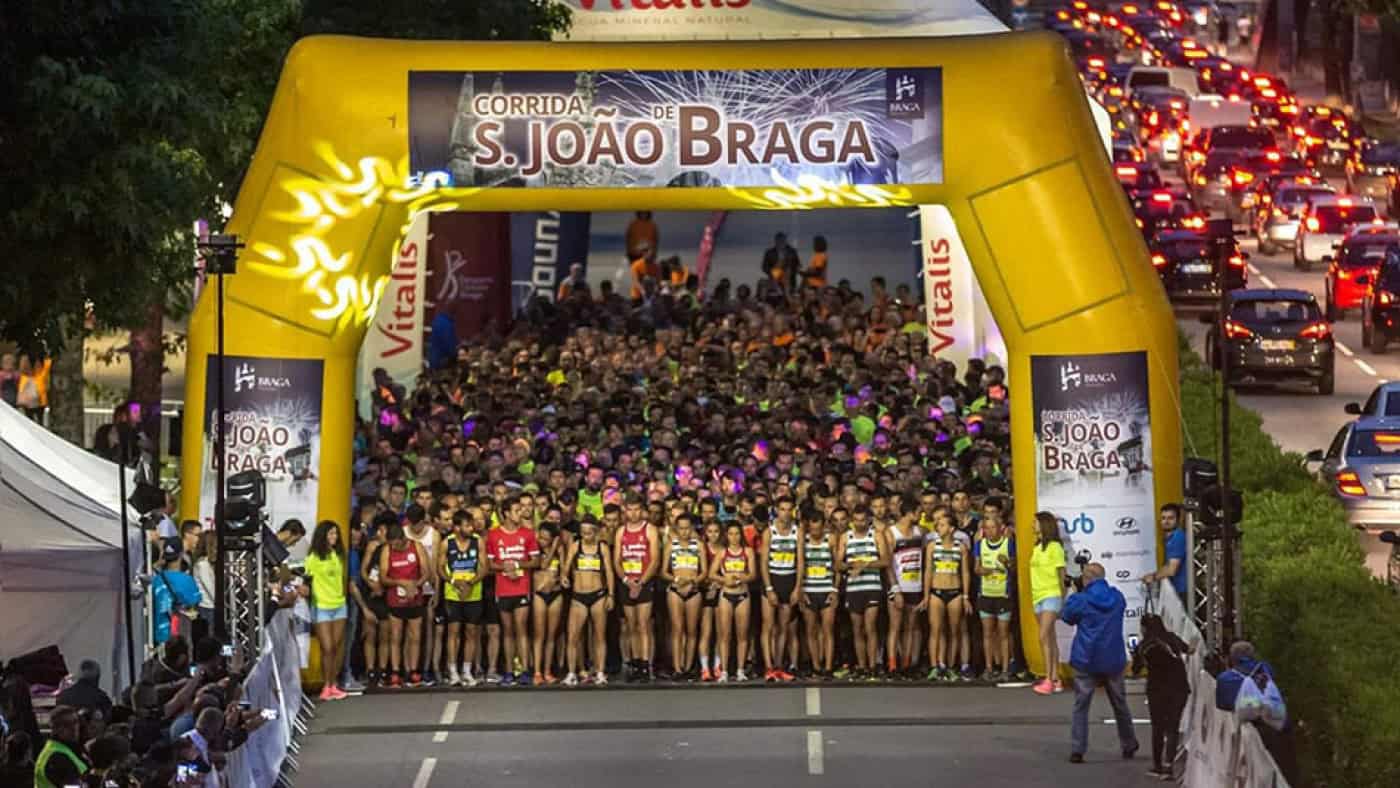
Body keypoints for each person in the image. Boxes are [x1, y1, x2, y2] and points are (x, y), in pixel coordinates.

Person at [1061, 562, 1139, 764]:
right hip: (1112, 658)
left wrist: (1074, 592)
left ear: (1086, 578)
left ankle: (1078, 749)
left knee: (1081, 706)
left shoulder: (1081, 600)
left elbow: (1067, 617)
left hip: (1087, 658)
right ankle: (1129, 744)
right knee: (1120, 704)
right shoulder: (1117, 597)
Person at [487, 495, 541, 686]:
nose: (521, 513)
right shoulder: (493, 535)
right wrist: (505, 567)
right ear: (506, 514)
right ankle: (509, 671)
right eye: (517, 510)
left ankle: (525, 670)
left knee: (521, 629)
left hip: (522, 587)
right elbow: (490, 564)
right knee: (508, 631)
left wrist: (517, 564)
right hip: (503, 589)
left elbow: (536, 561)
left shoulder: (528, 534)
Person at [1133, 613, 1191, 780]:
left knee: (1158, 727)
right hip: (1179, 687)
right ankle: (1169, 766)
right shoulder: (1172, 638)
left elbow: (1136, 670)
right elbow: (1188, 649)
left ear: (1144, 628)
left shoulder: (1144, 646)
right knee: (1173, 726)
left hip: (1157, 690)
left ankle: (1157, 765)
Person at [560, 516, 615, 686]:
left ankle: (600, 672)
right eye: (583, 533)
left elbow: (609, 572)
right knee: (573, 637)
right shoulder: (576, 546)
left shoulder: (602, 547)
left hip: (598, 594)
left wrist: (611, 595)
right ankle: (571, 673)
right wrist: (564, 577)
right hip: (579, 596)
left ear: (596, 532)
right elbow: (566, 567)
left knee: (599, 636)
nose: (586, 536)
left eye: (589, 533)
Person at [837, 505, 888, 677]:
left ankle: (873, 666)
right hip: (854, 588)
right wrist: (851, 565)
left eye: (863, 520)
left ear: (868, 520)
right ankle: (862, 666)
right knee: (857, 629)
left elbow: (885, 560)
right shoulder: (846, 537)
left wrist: (865, 565)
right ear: (852, 521)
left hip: (872, 587)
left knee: (870, 627)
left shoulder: (877, 535)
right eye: (856, 520)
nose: (860, 524)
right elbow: (838, 564)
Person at [614, 493, 660, 682]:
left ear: (642, 510)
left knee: (644, 625)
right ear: (625, 511)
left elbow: (655, 560)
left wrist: (641, 582)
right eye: (630, 510)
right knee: (631, 625)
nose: (633, 514)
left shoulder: (650, 530)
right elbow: (616, 561)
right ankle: (634, 663)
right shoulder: (621, 531)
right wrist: (627, 580)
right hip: (627, 582)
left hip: (644, 582)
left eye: (637, 509)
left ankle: (645, 665)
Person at [439, 510, 487, 687]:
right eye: (467, 525)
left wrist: (470, 583)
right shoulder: (447, 543)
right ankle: (453, 671)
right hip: (453, 593)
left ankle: (467, 671)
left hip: (473, 593)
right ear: (457, 527)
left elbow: (484, 567)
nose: (471, 528)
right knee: (453, 632)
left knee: (471, 632)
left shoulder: (478, 541)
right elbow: (440, 568)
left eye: (471, 525)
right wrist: (454, 581)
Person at [923, 506, 971, 681]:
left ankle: (950, 666)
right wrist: (926, 596)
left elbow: (965, 572)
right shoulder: (931, 546)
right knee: (935, 631)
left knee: (954, 631)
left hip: (955, 592)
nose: (938, 527)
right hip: (936, 592)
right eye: (938, 524)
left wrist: (965, 596)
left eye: (942, 525)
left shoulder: (961, 547)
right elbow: (928, 571)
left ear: (951, 529)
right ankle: (935, 666)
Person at [380, 524, 430, 688]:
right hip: (395, 598)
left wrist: (415, 586)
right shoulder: (387, 550)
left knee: (415, 635)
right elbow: (383, 577)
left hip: (415, 597)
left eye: (396, 544)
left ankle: (413, 671)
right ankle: (395, 671)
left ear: (402, 539)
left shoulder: (416, 547)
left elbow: (426, 572)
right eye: (391, 544)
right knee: (396, 635)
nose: (394, 547)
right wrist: (400, 582)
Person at [305, 520, 349, 701]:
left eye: (336, 533)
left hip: (339, 605)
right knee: (327, 647)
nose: (334, 537)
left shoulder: (339, 555)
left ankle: (333, 684)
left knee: (336, 648)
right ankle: (326, 685)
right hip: (321, 606)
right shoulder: (313, 557)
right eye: (331, 533)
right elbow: (307, 579)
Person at [759, 501, 802, 682]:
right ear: (777, 511)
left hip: (789, 580)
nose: (785, 513)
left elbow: (800, 561)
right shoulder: (769, 532)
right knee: (768, 625)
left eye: (788, 509)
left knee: (783, 627)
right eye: (782, 509)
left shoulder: (797, 531)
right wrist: (769, 588)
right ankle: (768, 667)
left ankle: (778, 666)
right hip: (773, 579)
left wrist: (797, 588)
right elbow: (763, 562)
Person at [973, 499, 1015, 680]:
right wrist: (984, 570)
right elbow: (976, 568)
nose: (990, 531)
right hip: (986, 593)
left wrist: (1007, 563)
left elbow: (1013, 567)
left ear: (1000, 528)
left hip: (1003, 594)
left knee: (1004, 633)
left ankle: (1005, 669)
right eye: (987, 528)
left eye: (993, 528)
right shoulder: (980, 544)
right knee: (988, 633)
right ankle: (989, 668)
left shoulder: (1008, 543)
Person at [661, 512, 706, 680]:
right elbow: (663, 572)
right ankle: (677, 667)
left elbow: (704, 571)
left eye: (687, 528)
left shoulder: (699, 545)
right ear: (676, 529)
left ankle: (688, 667)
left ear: (692, 528)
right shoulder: (671, 545)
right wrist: (676, 580)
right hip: (676, 589)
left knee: (692, 630)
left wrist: (693, 582)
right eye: (681, 528)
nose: (684, 532)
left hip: (693, 590)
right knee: (677, 629)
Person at [710, 522, 756, 683]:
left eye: (737, 534)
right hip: (726, 595)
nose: (734, 537)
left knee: (742, 635)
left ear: (741, 535)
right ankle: (724, 671)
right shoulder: (722, 552)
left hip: (742, 595)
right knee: (725, 635)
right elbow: (711, 573)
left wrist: (743, 577)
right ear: (726, 535)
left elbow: (753, 574)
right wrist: (725, 580)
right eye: (731, 534)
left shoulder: (747, 551)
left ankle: (740, 670)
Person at [1029, 512, 1068, 695]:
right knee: (1050, 638)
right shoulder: (1037, 547)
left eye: (1035, 522)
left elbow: (1062, 575)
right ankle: (1056, 678)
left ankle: (1049, 679)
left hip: (1052, 594)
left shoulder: (1055, 547)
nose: (1032, 525)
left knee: (1043, 636)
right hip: (1037, 596)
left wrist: (1062, 598)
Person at [799, 508, 838, 678]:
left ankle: (828, 667)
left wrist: (835, 590)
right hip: (809, 591)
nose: (815, 532)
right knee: (811, 630)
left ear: (824, 526)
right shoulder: (804, 541)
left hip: (826, 590)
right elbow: (800, 566)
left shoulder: (831, 540)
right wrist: (801, 590)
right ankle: (816, 666)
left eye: (818, 529)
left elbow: (837, 567)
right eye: (812, 529)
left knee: (828, 630)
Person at [529, 524, 565, 685]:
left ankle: (547, 671)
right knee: (539, 634)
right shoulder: (535, 550)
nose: (542, 540)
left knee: (551, 635)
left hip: (555, 593)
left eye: (546, 538)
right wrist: (553, 549)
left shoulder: (559, 550)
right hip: (539, 594)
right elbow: (543, 565)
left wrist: (560, 552)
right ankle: (537, 672)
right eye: (540, 537)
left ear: (553, 539)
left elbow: (564, 570)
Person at [151, 539, 201, 646]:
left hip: (157, 635)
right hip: (179, 638)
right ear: (181, 554)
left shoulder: (155, 580)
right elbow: (194, 604)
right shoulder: (187, 580)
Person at [34, 705, 89, 787]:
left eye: (75, 722)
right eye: (66, 724)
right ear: (55, 728)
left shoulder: (70, 749)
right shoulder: (57, 757)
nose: (73, 728)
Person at [1142, 503, 1188, 599]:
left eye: (1170, 518)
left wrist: (1153, 577)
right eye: (1163, 518)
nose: (1166, 521)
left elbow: (1171, 570)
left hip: (1181, 591)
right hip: (1174, 590)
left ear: (1178, 520)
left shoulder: (1177, 537)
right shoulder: (1170, 538)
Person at [55, 660, 113, 724]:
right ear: (97, 678)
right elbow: (107, 721)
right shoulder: (102, 698)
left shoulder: (63, 696)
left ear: (79, 676)